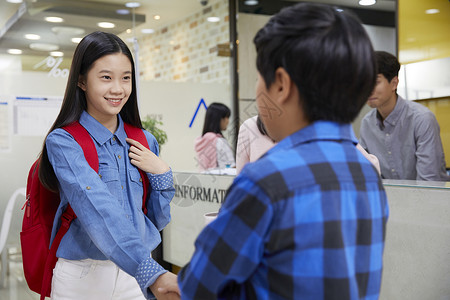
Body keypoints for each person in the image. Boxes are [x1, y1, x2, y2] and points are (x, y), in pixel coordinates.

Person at [175, 3, 389, 299]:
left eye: (259, 77)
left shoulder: (265, 180)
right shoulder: (367, 171)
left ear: (281, 85)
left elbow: (197, 286)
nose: (256, 87)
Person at [37, 31, 180, 300]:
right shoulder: (64, 142)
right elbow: (96, 206)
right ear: (81, 80)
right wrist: (152, 273)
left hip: (134, 279)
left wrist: (163, 173)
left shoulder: (144, 141)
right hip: (82, 278)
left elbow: (156, 221)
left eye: (125, 78)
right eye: (106, 77)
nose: (118, 88)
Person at [360, 51, 450, 181]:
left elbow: (428, 181)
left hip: (431, 199)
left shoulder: (422, 119)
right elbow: (368, 175)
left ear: (394, 83)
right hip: (391, 200)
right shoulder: (367, 124)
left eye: (375, 82)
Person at [194, 102, 235, 171]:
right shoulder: (219, 141)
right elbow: (231, 167)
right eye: (226, 117)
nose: (228, 121)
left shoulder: (202, 141)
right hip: (222, 180)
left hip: (205, 179)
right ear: (219, 119)